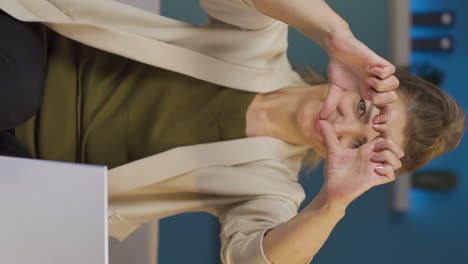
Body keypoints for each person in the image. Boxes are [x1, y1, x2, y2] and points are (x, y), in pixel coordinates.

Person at [0, 0, 464, 264]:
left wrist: (333, 203)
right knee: (14, 89)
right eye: (361, 107)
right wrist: (333, 35)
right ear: (361, 77)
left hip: (26, 170)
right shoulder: (258, 42)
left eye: (359, 143)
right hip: (28, 53)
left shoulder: (269, 191)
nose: (341, 125)